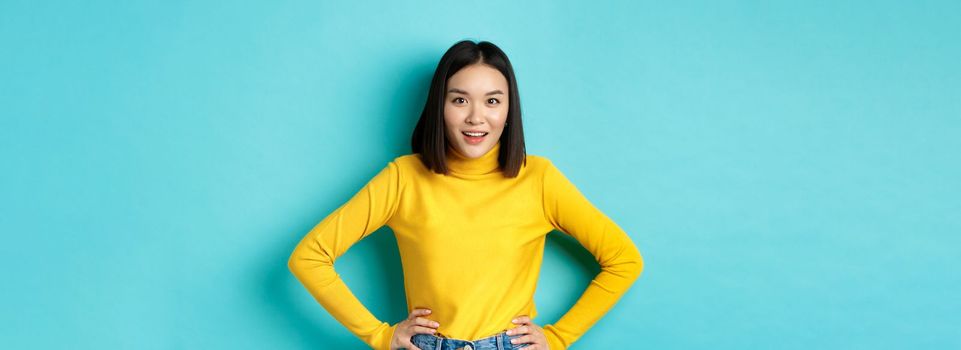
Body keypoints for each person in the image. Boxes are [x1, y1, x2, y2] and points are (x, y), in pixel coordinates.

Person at [288, 40, 644, 350]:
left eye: (492, 101)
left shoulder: (539, 179)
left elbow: (624, 260)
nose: (476, 117)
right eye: (460, 100)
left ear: (508, 111)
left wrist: (559, 337)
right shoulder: (403, 178)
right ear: (440, 108)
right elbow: (310, 257)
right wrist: (380, 336)